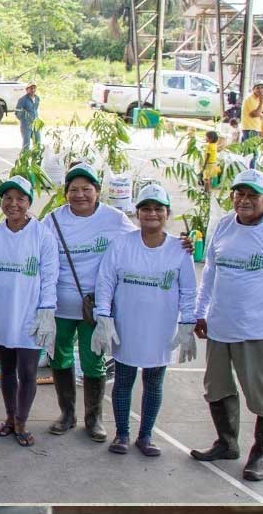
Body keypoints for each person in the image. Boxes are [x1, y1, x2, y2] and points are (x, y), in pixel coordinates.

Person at [191, 169, 263, 481]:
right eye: (239, 194)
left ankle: (258, 457)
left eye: (252, 195)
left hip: (259, 332)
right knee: (216, 389)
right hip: (219, 326)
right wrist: (200, 313)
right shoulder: (223, 225)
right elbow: (211, 273)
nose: (244, 200)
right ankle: (226, 443)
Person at [91, 183, 197, 457]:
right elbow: (106, 282)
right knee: (124, 381)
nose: (152, 214)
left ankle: (146, 435)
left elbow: (187, 290)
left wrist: (188, 323)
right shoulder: (122, 245)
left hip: (161, 329)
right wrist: (103, 316)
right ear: (137, 214)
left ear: (167, 214)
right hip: (128, 326)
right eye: (146, 208)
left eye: (158, 209)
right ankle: (122, 434)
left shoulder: (180, 249)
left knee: (154, 382)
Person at [42, 162, 136, 442]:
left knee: (93, 361)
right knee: (59, 357)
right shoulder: (54, 220)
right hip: (59, 305)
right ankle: (67, 414)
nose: (80, 195)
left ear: (98, 191)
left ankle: (93, 419)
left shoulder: (115, 219)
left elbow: (140, 242)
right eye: (73, 189)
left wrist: (178, 246)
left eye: (86, 189)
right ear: (65, 192)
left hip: (94, 308)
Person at [0, 175, 57, 447]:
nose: (13, 204)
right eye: (8, 198)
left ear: (29, 202)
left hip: (30, 316)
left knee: (28, 371)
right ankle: (10, 417)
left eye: (20, 199)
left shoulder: (43, 235)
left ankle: (22, 420)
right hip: (2, 313)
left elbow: (49, 276)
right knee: (6, 369)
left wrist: (46, 311)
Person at [15, 83, 41, 153]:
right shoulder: (22, 100)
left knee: (38, 143)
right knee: (26, 145)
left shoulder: (37, 98)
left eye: (34, 88)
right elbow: (17, 113)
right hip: (26, 126)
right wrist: (25, 119)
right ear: (27, 90)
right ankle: (24, 161)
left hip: (36, 125)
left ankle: (36, 159)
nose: (33, 90)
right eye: (31, 88)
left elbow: (35, 110)